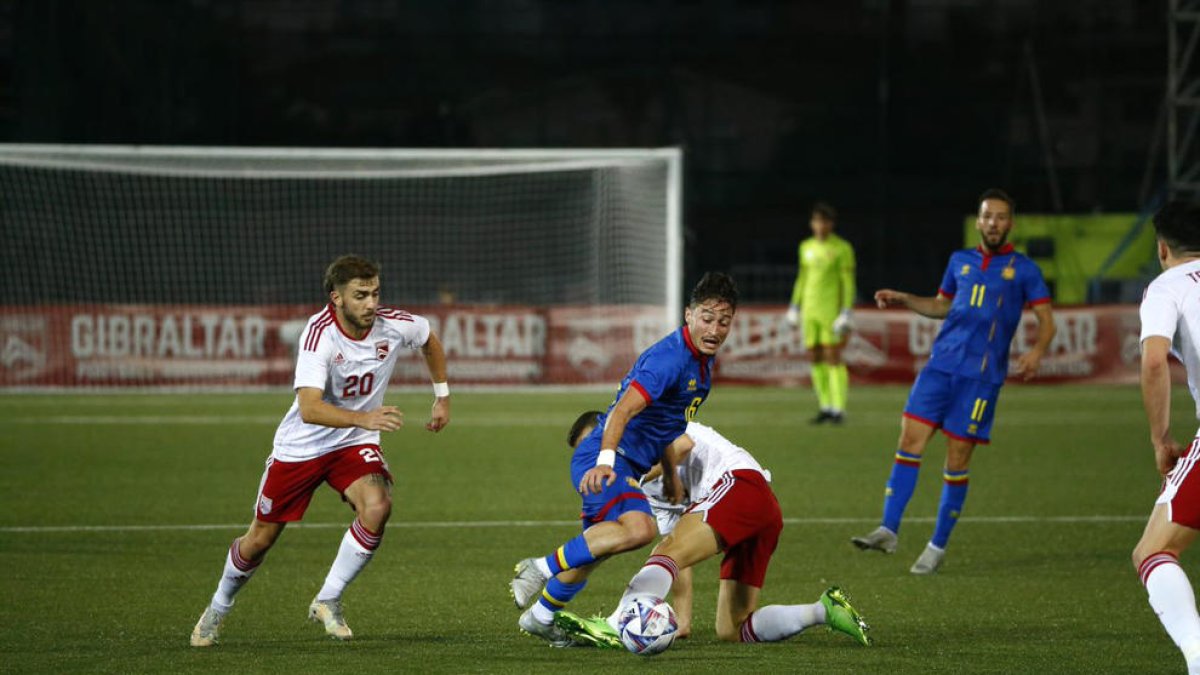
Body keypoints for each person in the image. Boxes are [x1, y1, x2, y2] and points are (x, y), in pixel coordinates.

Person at [190, 255, 451, 647]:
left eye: (375, 293)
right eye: (360, 295)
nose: (371, 303)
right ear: (336, 298)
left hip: (353, 442)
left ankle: (328, 598)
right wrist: (364, 418)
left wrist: (442, 396)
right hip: (303, 446)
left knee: (378, 505)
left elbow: (428, 339)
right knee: (260, 539)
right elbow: (310, 409)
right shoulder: (319, 335)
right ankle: (218, 606)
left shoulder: (394, 324)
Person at [509, 272, 739, 647]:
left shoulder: (700, 363)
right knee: (641, 530)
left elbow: (666, 427)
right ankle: (538, 567)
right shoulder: (670, 359)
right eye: (707, 318)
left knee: (595, 548)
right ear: (689, 315)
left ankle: (541, 616)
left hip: (626, 462)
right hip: (607, 456)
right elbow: (621, 412)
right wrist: (605, 461)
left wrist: (671, 476)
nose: (714, 329)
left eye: (724, 321)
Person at [850, 189, 1055, 574]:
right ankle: (888, 529)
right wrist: (905, 298)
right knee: (908, 442)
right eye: (987, 216)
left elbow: (1047, 321)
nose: (993, 223)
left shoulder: (1024, 269)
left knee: (957, 460)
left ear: (1010, 224)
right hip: (939, 368)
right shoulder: (959, 261)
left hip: (981, 378)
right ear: (978, 222)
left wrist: (1037, 351)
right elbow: (941, 305)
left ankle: (937, 546)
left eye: (1001, 217)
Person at [554, 414, 872, 648]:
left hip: (740, 483)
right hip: (760, 510)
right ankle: (823, 610)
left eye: (594, 445)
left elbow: (683, 444)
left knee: (665, 552)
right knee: (733, 628)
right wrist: (682, 620)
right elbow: (677, 555)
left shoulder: (649, 428)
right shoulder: (643, 490)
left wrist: (639, 476)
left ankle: (614, 625)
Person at [1133, 201, 1200, 674]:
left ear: (1162, 248)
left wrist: (1162, 440)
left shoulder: (1167, 286)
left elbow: (1154, 360)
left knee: (1153, 550)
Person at [786, 201, 857, 424]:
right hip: (809, 311)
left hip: (830, 311)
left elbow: (847, 281)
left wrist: (846, 311)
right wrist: (794, 306)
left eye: (824, 221)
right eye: (817, 221)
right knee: (814, 357)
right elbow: (802, 278)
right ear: (812, 223)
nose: (820, 226)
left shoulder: (842, 248)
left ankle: (839, 408)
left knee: (833, 356)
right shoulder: (805, 247)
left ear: (831, 224)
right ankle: (825, 406)